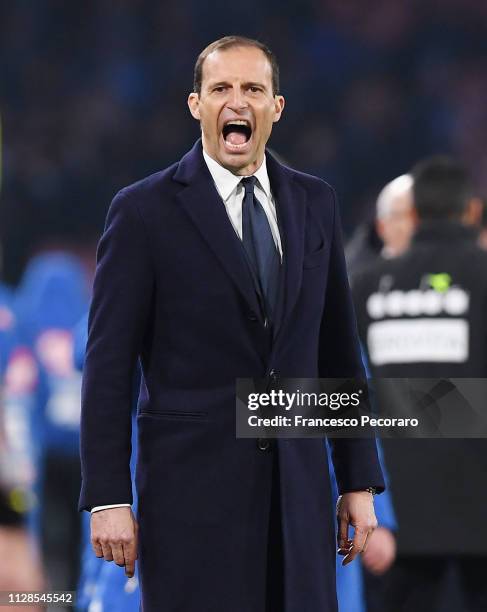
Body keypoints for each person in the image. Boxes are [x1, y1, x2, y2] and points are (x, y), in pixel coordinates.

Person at [79, 35, 385, 612]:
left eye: (253, 89)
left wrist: (357, 480)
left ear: (277, 107)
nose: (236, 101)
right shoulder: (143, 211)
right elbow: (108, 365)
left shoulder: (315, 202)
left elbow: (338, 352)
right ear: (196, 104)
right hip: (190, 500)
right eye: (221, 88)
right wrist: (107, 496)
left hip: (297, 499)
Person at [352, 156, 487, 612]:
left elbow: (336, 398)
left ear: (414, 214)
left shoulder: (366, 286)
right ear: (471, 210)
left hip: (392, 520)